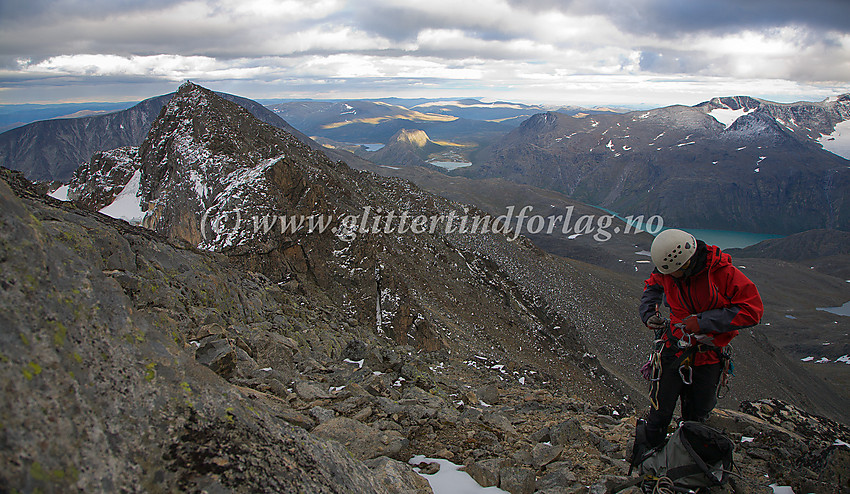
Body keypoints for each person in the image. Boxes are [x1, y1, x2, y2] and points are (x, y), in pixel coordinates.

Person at [638, 228, 763, 448]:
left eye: (671, 273)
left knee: (696, 417)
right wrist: (648, 313)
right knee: (659, 411)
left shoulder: (721, 272)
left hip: (708, 356)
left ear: (685, 265)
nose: (667, 278)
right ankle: (648, 461)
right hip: (674, 348)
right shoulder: (669, 269)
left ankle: (687, 462)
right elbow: (653, 286)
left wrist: (704, 321)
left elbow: (752, 310)